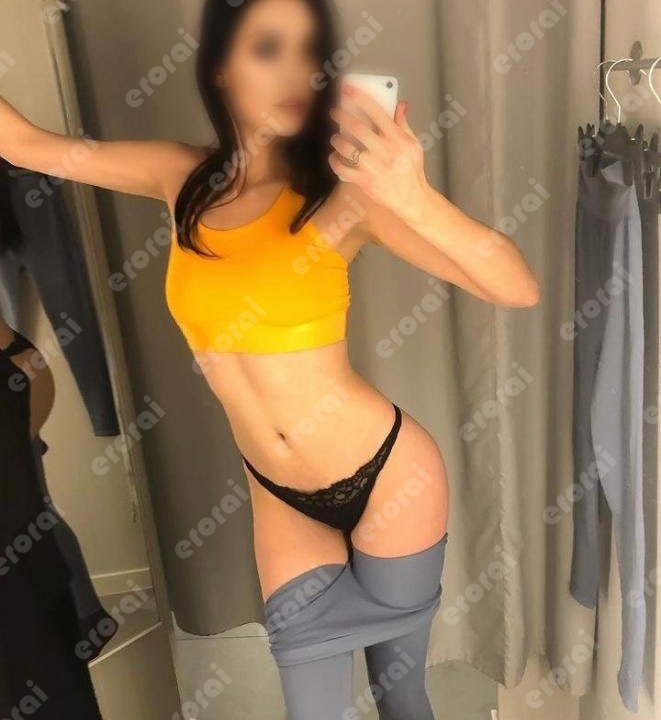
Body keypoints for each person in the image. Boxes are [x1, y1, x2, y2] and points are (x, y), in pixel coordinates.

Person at [0, 1, 539, 717]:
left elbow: (516, 287)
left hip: (390, 478)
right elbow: (26, 145)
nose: (295, 72)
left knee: (401, 696)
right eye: (267, 49)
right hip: (281, 498)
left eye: (309, 52)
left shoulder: (343, 199)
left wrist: (412, 196)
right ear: (221, 67)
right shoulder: (180, 177)